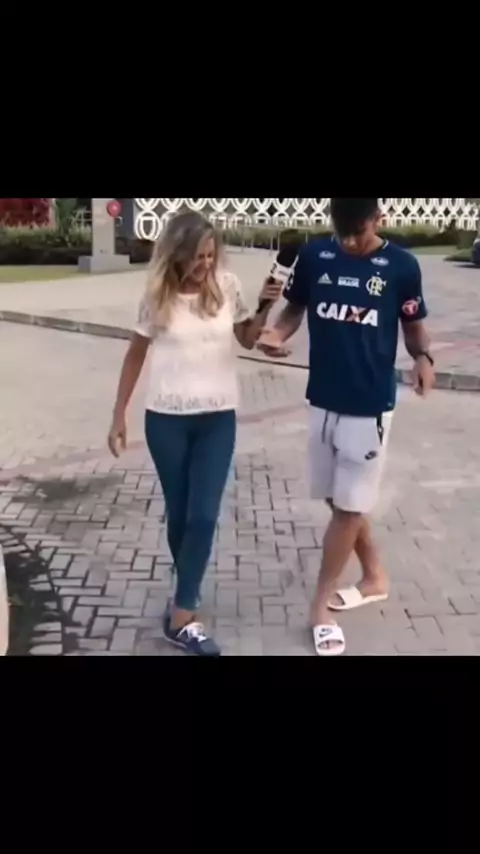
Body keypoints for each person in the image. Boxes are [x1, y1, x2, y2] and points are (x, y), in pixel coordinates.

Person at [258, 198, 435, 657]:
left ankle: (320, 607)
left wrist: (423, 358)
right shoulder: (316, 255)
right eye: (343, 233)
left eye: (359, 232)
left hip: (369, 405)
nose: (350, 242)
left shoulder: (402, 266)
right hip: (322, 398)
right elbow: (294, 309)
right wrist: (277, 334)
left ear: (379, 220)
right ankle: (375, 576)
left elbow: (413, 324)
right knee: (340, 501)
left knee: (347, 511)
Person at [107, 211, 282, 656]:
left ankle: (182, 615)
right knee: (181, 516)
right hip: (166, 419)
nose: (205, 264)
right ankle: (186, 587)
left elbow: (247, 338)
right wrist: (119, 415)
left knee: (204, 516)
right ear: (177, 254)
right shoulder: (157, 296)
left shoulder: (227, 286)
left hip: (217, 419)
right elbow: (134, 356)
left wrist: (264, 308)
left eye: (210, 255)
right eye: (197, 257)